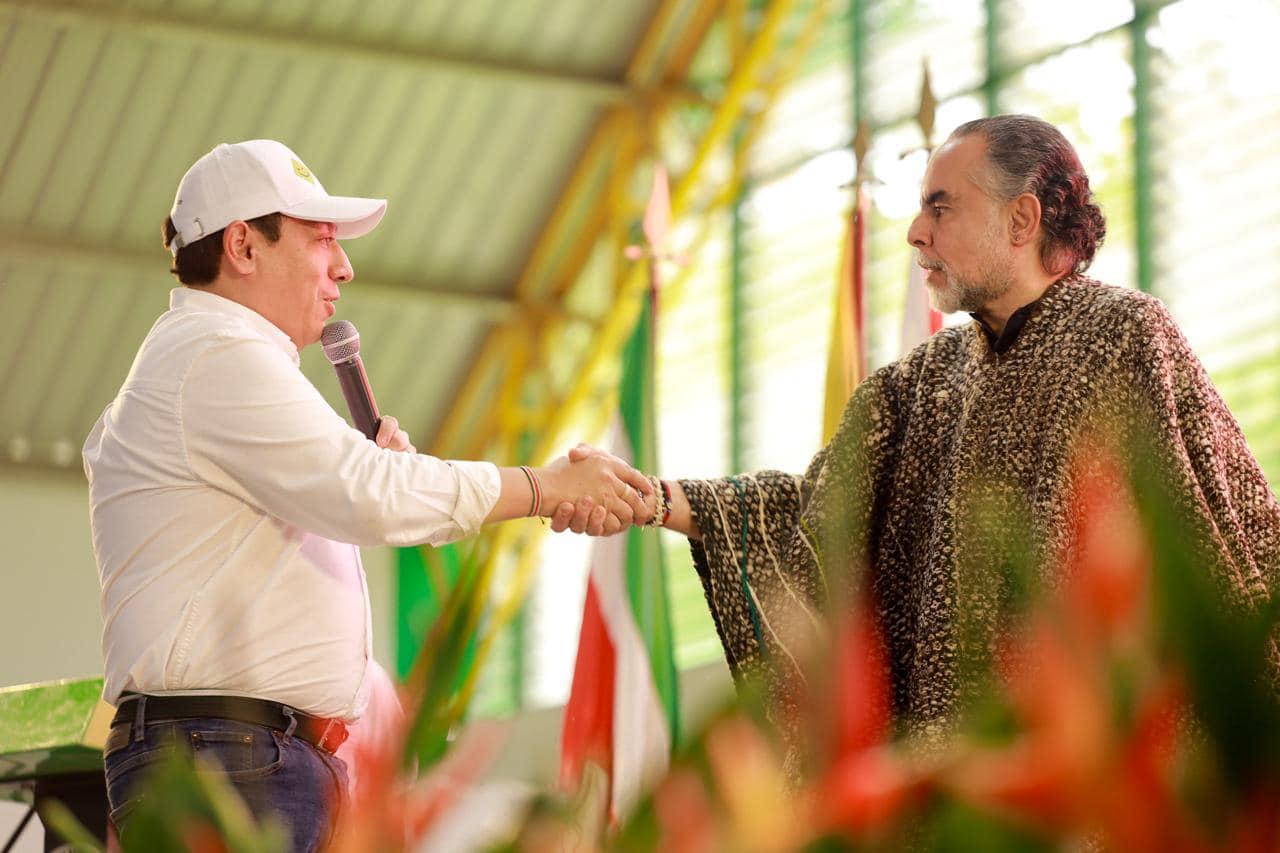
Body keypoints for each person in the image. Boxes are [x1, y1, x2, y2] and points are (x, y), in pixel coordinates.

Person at [565, 114, 1280, 746]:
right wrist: (651, 498)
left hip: (1092, 774)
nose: (915, 232)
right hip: (951, 785)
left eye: (941, 207)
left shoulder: (1127, 336)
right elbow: (811, 518)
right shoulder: (921, 382)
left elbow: (1225, 539)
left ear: (1022, 219)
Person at [83, 139, 652, 850]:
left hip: (249, 754)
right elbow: (364, 492)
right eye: (322, 239)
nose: (343, 267)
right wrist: (543, 487)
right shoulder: (215, 355)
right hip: (228, 755)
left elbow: (335, 513)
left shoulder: (206, 359)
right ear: (242, 246)